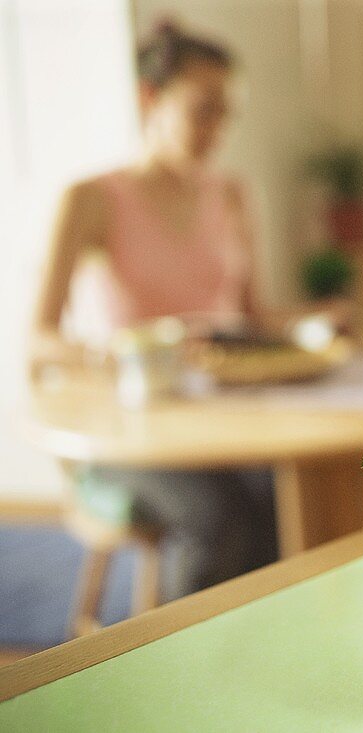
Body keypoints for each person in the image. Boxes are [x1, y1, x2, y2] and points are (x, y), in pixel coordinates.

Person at [32, 21, 279, 601]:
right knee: (220, 518)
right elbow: (39, 338)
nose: (217, 129)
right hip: (131, 432)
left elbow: (255, 321)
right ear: (149, 99)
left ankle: (256, 659)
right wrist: (129, 351)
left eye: (226, 113)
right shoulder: (90, 199)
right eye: (203, 110)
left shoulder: (233, 194)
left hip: (222, 421)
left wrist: (315, 323)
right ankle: (181, 671)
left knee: (285, 499)